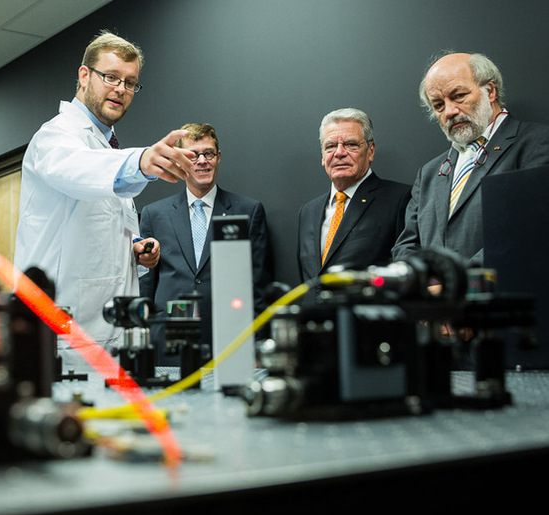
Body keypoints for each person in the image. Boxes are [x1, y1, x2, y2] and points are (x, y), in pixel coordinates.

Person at [13, 30, 194, 371]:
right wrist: (140, 161)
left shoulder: (106, 145)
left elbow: (98, 223)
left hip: (114, 331)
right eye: (111, 77)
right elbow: (79, 170)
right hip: (66, 334)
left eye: (130, 83)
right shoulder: (56, 135)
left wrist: (135, 249)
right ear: (84, 76)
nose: (121, 89)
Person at [392, 52, 549, 264]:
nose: (449, 111)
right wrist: (422, 281)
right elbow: (406, 244)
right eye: (438, 105)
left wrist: (455, 280)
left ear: (490, 91)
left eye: (458, 96)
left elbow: (529, 230)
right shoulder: (429, 173)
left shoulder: (537, 143)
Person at [138, 123, 272, 360]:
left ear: (218, 157)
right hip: (169, 340)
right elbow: (146, 285)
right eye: (193, 155)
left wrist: (257, 345)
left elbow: (258, 285)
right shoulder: (154, 214)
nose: (202, 161)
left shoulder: (248, 211)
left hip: (230, 341)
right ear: (179, 161)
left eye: (208, 153)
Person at [298, 108, 411, 282]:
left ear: (371, 150)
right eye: (330, 146)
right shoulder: (308, 211)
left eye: (351, 144)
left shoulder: (400, 200)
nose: (339, 153)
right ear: (322, 156)